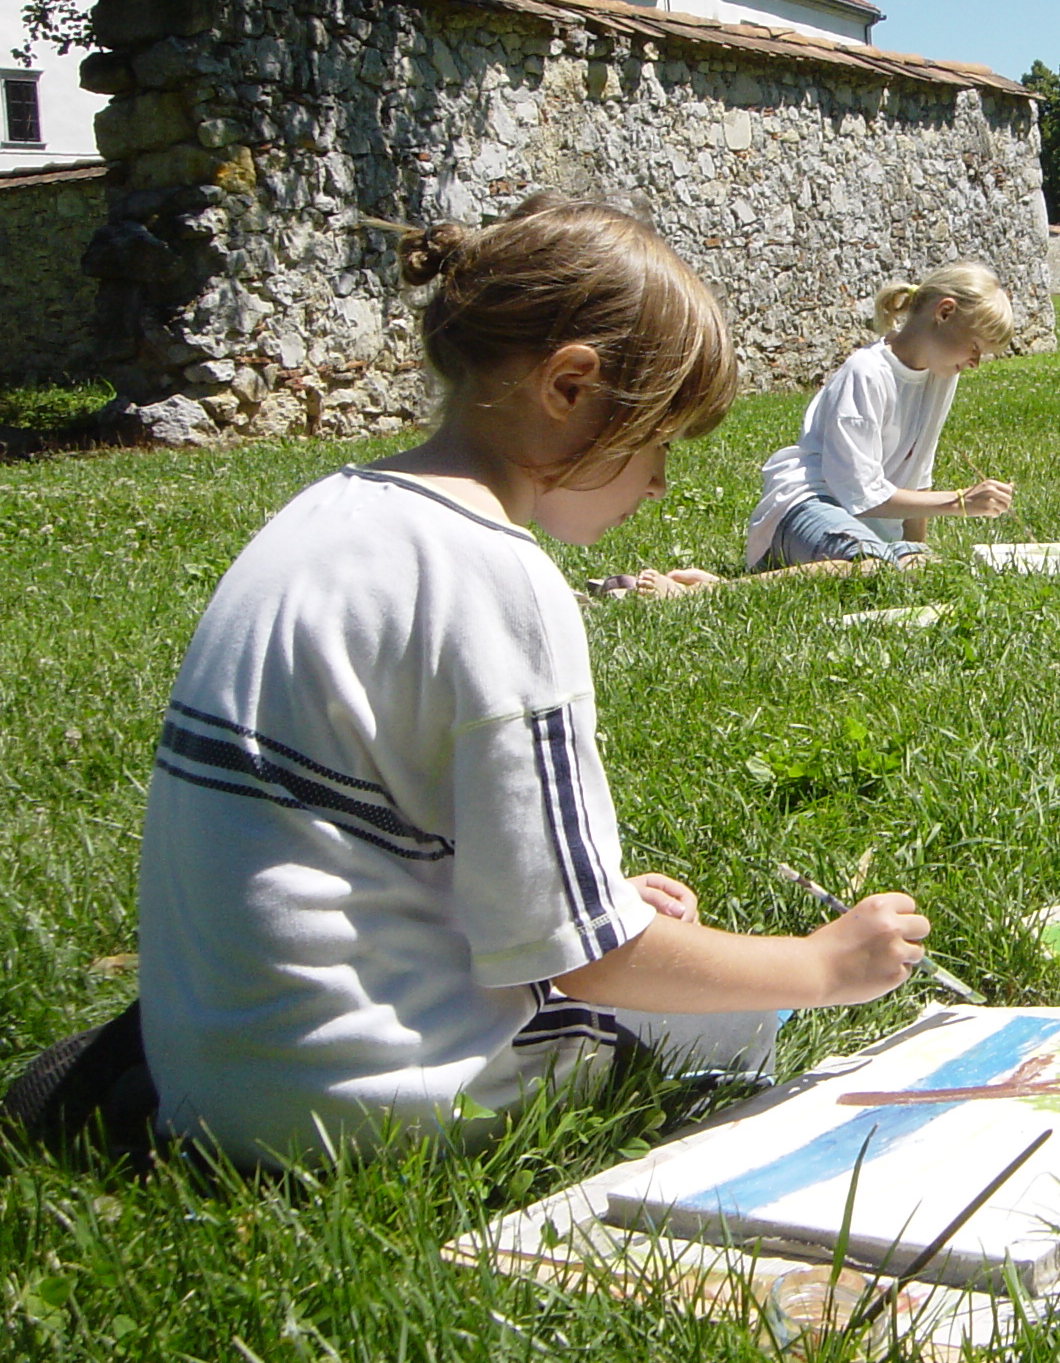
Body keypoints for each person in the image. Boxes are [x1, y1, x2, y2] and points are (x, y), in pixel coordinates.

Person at [133, 193, 931, 1167]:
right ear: (570, 386)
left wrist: (593, 895)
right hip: (366, 1100)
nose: (659, 483)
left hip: (207, 1066)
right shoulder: (497, 576)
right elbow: (595, 962)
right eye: (657, 441)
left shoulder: (323, 513)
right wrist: (819, 965)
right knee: (733, 1020)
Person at [733, 262, 1017, 579]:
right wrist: (959, 501)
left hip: (867, 529)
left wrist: (916, 551)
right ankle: (719, 588)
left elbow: (917, 474)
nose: (975, 363)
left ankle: (878, 559)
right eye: (975, 347)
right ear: (944, 312)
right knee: (871, 569)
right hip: (806, 506)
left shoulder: (941, 377)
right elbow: (860, 495)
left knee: (923, 570)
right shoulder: (866, 372)